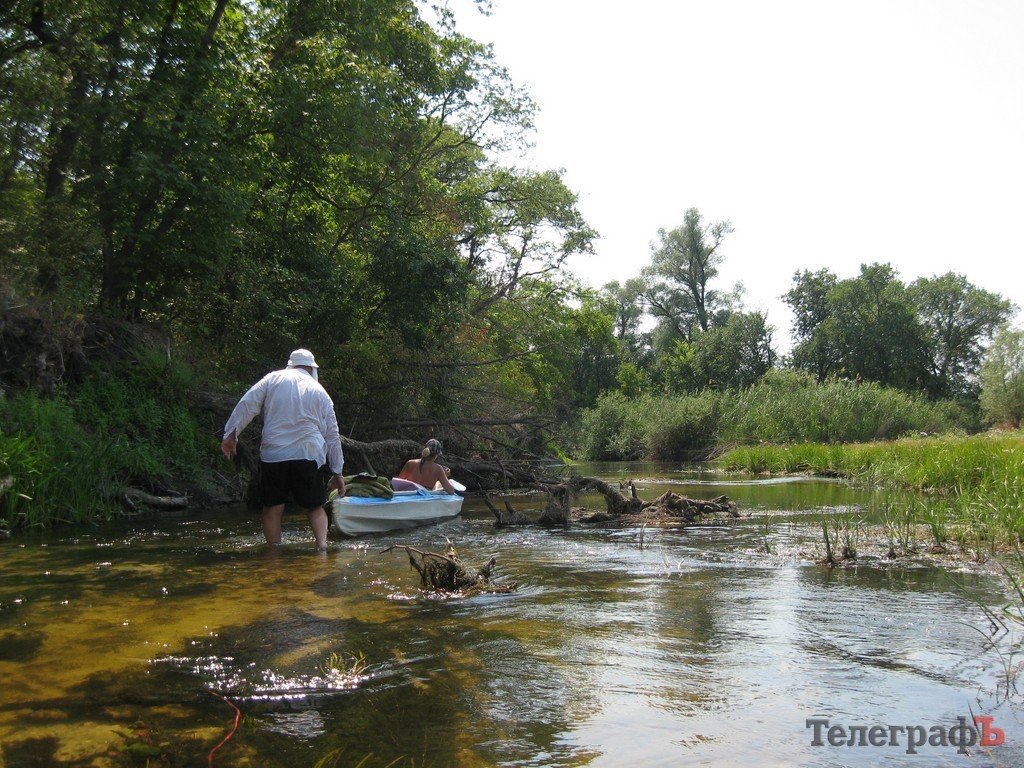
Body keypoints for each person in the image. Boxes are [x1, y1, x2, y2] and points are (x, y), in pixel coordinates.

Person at [220, 348, 345, 550]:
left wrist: (230, 434)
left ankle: (273, 555)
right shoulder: (320, 391)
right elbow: (332, 434)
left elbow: (247, 404)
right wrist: (338, 471)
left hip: (274, 454)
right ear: (312, 368)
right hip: (307, 454)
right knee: (314, 507)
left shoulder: (272, 379)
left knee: (272, 507)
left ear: (291, 364)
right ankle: (321, 549)